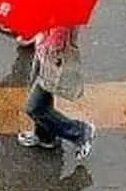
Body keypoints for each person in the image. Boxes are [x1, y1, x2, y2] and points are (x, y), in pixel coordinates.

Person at [18, 26, 96, 158]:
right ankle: (45, 136)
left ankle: (79, 131)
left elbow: (58, 41)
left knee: (34, 108)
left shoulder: (62, 13)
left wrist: (42, 38)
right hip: (42, 54)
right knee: (41, 95)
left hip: (52, 59)